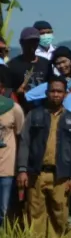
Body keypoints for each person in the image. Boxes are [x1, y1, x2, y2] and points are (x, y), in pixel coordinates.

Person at [16, 77, 71, 238]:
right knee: (35, 213)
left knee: (59, 214)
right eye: (52, 91)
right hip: (36, 174)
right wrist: (22, 169)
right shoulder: (34, 115)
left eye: (59, 91)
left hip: (61, 176)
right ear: (46, 93)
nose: (56, 95)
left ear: (66, 94)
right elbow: (24, 143)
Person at [0, 69, 26, 222]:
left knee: (4, 210)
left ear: (3, 89)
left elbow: (20, 133)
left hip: (6, 167)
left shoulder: (13, 108)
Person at [8, 27, 50, 110]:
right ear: (21, 43)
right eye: (28, 42)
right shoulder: (12, 65)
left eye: (35, 41)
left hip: (44, 111)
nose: (32, 45)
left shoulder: (46, 64)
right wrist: (17, 93)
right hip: (21, 110)